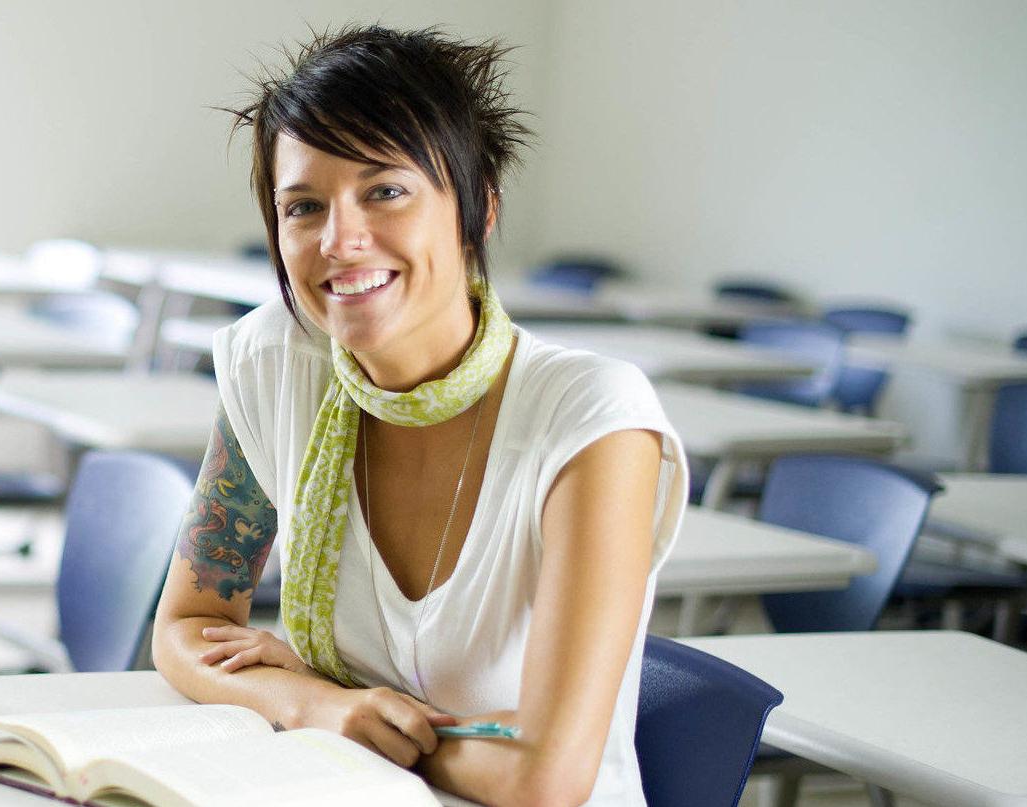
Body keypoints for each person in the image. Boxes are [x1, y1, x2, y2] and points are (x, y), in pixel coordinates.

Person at [150, 25, 687, 806]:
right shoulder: (276, 361)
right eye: (303, 206)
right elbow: (187, 625)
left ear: (480, 209)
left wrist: (361, 723)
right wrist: (315, 704)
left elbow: (544, 777)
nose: (341, 239)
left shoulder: (592, 417)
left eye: (385, 190)